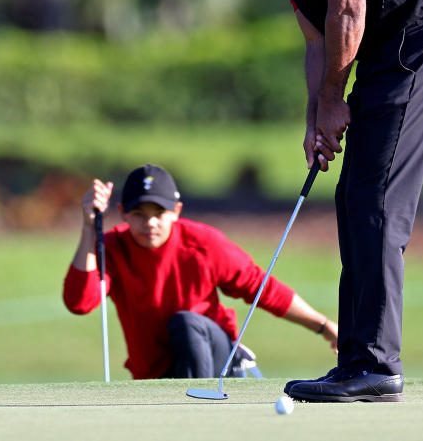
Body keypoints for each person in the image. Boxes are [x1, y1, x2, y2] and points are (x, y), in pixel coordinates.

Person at [177, 0, 423, 402]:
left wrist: (336, 101)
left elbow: (350, 4)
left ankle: (378, 366)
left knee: (376, 200)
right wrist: (316, 117)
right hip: (392, 55)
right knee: (355, 199)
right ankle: (358, 361)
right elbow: (317, 40)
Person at [62, 163, 338, 380]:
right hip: (152, 373)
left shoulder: (203, 243)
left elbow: (262, 289)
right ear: (122, 212)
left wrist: (325, 327)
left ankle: (201, 413)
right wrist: (89, 227)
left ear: (177, 211)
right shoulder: (111, 247)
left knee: (186, 324)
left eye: (159, 212)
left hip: (215, 361)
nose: (150, 223)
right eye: (139, 214)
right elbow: (80, 303)